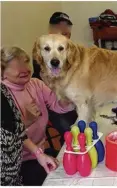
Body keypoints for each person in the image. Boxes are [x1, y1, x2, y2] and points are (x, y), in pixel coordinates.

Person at [1, 46, 75, 185]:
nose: (25, 69)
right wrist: (27, 122)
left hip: (40, 152)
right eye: (17, 66)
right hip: (19, 164)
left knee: (70, 166)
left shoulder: (35, 84)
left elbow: (57, 105)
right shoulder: (4, 96)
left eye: (26, 63)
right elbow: (8, 138)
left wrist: (71, 96)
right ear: (2, 72)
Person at [32, 12, 77, 147]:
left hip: (70, 98)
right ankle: (68, 153)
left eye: (65, 34)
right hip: (50, 101)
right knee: (70, 130)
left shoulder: (72, 50)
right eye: (58, 33)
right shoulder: (41, 50)